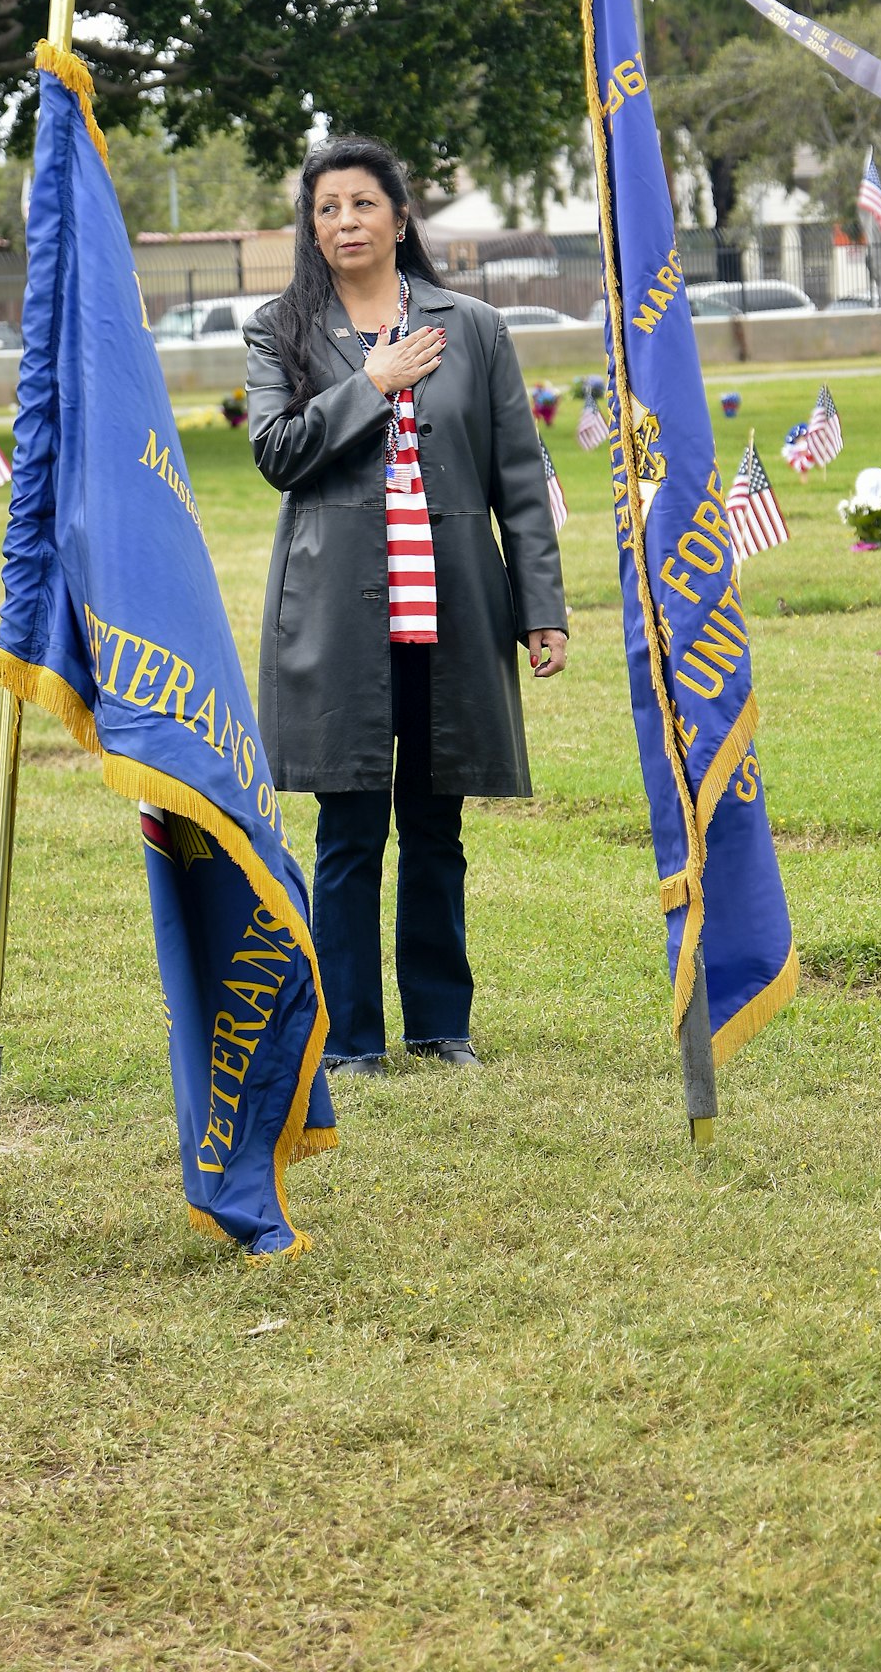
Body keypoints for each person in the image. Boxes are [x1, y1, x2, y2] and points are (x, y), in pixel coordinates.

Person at [244, 136, 568, 1075]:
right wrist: (371, 385)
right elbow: (277, 453)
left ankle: (440, 1024)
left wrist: (538, 606)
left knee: (437, 821)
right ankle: (348, 1040)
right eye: (327, 209)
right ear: (312, 227)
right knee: (348, 828)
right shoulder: (282, 328)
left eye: (362, 204)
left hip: (452, 604)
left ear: (399, 215)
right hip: (339, 611)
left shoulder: (474, 326)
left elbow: (519, 476)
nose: (345, 222)